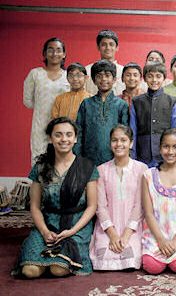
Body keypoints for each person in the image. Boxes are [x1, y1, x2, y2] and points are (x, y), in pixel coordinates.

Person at [12, 117, 98, 278]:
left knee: (58, 269)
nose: (64, 139)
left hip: (76, 224)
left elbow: (92, 206)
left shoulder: (87, 167)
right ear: (50, 138)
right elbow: (35, 206)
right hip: (48, 223)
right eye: (58, 135)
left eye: (68, 134)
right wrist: (44, 232)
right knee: (30, 271)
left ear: (75, 138)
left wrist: (72, 231)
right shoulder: (41, 167)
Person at [141, 129, 176, 274]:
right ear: (160, 148)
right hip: (156, 234)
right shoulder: (148, 175)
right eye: (166, 146)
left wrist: (175, 241)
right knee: (152, 267)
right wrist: (161, 240)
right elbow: (148, 213)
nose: (170, 151)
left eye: (175, 147)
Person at [90, 125, 148, 270]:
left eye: (123, 140)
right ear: (110, 143)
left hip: (133, 226)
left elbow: (140, 205)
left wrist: (126, 234)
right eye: (114, 140)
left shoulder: (142, 169)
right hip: (108, 227)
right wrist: (113, 234)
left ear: (131, 143)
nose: (119, 144)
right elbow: (100, 206)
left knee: (130, 258)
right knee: (103, 257)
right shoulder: (101, 170)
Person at [23, 37, 70, 165]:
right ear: (44, 53)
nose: (54, 54)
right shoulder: (35, 74)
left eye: (58, 50)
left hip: (63, 127)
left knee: (61, 163)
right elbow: (28, 101)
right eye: (50, 50)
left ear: (64, 54)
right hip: (40, 126)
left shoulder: (69, 76)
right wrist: (43, 108)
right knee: (39, 163)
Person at [74, 59, 129, 166]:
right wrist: (77, 155)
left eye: (107, 75)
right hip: (88, 158)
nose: (103, 79)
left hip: (114, 158)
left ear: (114, 79)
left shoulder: (121, 105)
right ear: (94, 80)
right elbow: (79, 131)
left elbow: (125, 134)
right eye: (99, 76)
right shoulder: (86, 104)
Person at [130, 62, 176, 168]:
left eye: (158, 76)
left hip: (165, 155)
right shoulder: (137, 102)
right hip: (142, 154)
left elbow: (175, 130)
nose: (154, 80)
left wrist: (175, 154)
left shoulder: (171, 101)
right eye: (150, 76)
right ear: (145, 78)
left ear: (164, 79)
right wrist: (132, 155)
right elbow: (132, 130)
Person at [85, 29, 125, 96]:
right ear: (98, 47)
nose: (108, 48)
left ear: (117, 47)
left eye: (111, 44)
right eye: (104, 44)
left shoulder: (124, 72)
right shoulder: (87, 71)